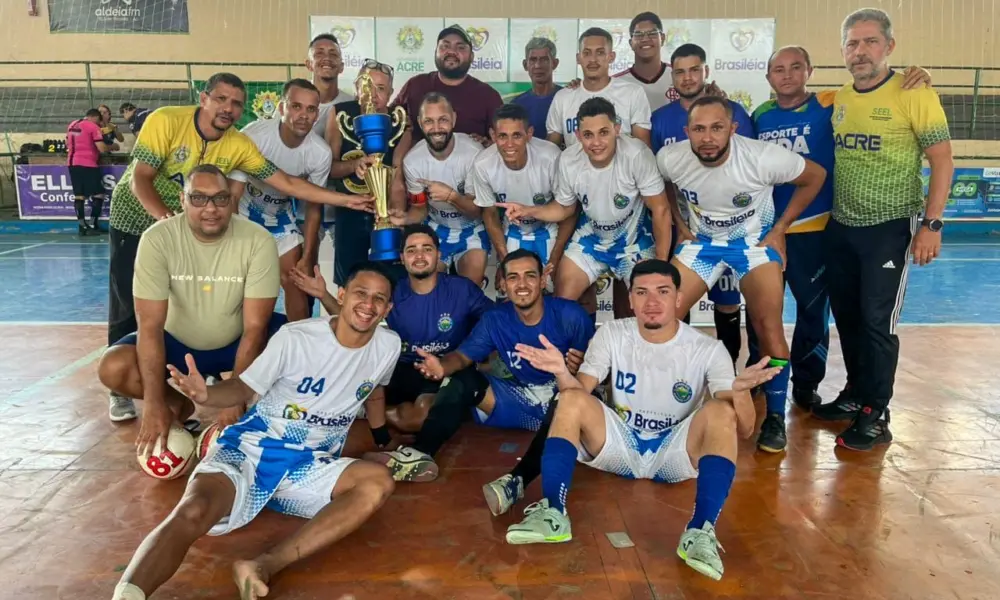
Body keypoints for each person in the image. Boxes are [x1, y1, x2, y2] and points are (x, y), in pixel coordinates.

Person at [110, 262, 401, 600]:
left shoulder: (389, 346)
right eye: (361, 293)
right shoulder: (296, 338)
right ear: (341, 295)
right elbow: (244, 387)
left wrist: (383, 440)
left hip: (309, 465)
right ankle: (127, 595)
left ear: (388, 309)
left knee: (377, 483)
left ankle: (262, 565)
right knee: (194, 509)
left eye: (379, 299)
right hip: (252, 449)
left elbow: (374, 391)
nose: (368, 304)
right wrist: (207, 395)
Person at [105, 72, 373, 424]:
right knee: (133, 308)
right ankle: (132, 393)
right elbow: (140, 178)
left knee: (217, 298)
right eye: (221, 99)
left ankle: (223, 375)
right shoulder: (166, 120)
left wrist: (347, 200)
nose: (228, 108)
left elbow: (289, 184)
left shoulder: (237, 143)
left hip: (197, 219)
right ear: (204, 98)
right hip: (139, 219)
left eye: (236, 103)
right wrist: (168, 224)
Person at [500, 260, 782, 583]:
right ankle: (553, 513)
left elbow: (744, 429)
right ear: (630, 299)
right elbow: (578, 395)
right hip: (619, 444)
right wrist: (562, 373)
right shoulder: (612, 334)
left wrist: (741, 393)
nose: (652, 302)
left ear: (679, 298)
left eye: (663, 292)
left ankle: (700, 531)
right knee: (569, 399)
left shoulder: (708, 349)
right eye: (642, 292)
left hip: (674, 452)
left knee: (721, 410)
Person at [748, 48, 934, 413]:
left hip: (814, 229)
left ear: (810, 71)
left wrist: (918, 75)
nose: (787, 75)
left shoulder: (831, 102)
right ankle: (761, 376)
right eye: (778, 69)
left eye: (795, 67)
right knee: (760, 310)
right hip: (766, 230)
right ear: (768, 77)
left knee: (812, 312)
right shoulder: (760, 115)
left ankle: (806, 383)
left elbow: (873, 86)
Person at [656, 96, 827, 452]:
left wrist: (780, 227)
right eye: (699, 129)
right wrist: (680, 224)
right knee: (662, 313)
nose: (707, 138)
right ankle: (670, 404)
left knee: (768, 327)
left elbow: (816, 176)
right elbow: (666, 185)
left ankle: (775, 416)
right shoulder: (671, 158)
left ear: (733, 129)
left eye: (717, 128)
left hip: (752, 244)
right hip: (703, 244)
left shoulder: (762, 157)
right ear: (687, 131)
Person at [815, 8, 953, 450]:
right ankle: (856, 393)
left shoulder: (915, 93)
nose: (861, 51)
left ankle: (877, 412)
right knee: (848, 316)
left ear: (889, 46)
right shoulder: (838, 98)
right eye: (852, 43)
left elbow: (942, 160)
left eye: (870, 41)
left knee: (877, 321)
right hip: (842, 226)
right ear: (843, 51)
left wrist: (931, 224)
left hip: (890, 227)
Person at [98, 165, 287, 453]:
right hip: (176, 345)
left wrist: (234, 400)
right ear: (182, 200)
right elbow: (149, 326)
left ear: (231, 200)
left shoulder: (257, 239)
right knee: (113, 367)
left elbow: (255, 328)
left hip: (236, 341)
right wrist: (153, 403)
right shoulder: (157, 239)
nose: (211, 208)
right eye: (198, 198)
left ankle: (271, 418)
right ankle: (177, 403)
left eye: (220, 198)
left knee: (300, 350)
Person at [365, 250, 594, 484]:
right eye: (513, 277)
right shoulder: (495, 319)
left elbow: (596, 371)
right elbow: (462, 357)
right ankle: (420, 454)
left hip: (562, 403)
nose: (522, 284)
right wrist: (442, 366)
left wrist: (580, 367)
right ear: (503, 284)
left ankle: (520, 480)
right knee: (463, 379)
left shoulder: (570, 315)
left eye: (530, 276)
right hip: (516, 400)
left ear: (543, 280)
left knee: (577, 403)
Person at [291, 224, 493, 432]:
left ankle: (365, 413)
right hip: (399, 367)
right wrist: (323, 294)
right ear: (402, 258)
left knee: (421, 418)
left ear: (438, 254)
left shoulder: (462, 289)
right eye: (411, 250)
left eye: (427, 249)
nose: (419, 256)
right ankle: (363, 412)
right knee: (330, 395)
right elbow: (353, 321)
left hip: (442, 368)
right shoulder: (393, 290)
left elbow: (495, 320)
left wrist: (477, 355)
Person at [501, 98, 671, 320]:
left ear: (617, 129)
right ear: (578, 135)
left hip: (634, 243)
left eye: (604, 132)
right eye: (588, 135)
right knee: (561, 305)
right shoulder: (569, 160)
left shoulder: (637, 154)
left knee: (648, 308)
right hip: (591, 241)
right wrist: (528, 210)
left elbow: (660, 209)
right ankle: (572, 344)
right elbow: (564, 209)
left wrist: (660, 264)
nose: (596, 142)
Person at [650, 43, 756, 366]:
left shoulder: (734, 112)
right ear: (672, 76)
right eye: (680, 71)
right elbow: (660, 182)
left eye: (694, 70)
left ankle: (728, 370)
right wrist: (680, 226)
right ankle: (677, 369)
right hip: (682, 229)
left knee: (727, 303)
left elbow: (751, 170)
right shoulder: (660, 119)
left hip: (729, 230)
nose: (688, 78)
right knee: (675, 298)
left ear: (705, 71)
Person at [230, 79, 332, 322]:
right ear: (281, 108)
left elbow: (313, 208)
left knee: (295, 278)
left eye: (310, 109)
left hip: (280, 218)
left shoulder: (320, 153)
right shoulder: (254, 136)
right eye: (296, 106)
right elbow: (232, 195)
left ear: (317, 115)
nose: (303, 115)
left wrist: (307, 255)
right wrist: (232, 241)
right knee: (237, 282)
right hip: (242, 215)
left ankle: (299, 337)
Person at [320, 60, 404, 287]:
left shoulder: (400, 120)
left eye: (381, 88)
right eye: (367, 87)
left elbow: (399, 176)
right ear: (356, 88)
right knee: (350, 281)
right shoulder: (340, 114)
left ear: (391, 93)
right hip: (350, 210)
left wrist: (390, 213)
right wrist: (353, 165)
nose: (373, 95)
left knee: (391, 280)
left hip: (387, 214)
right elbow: (328, 169)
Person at [473, 104, 575, 289]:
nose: (509, 144)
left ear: (529, 134)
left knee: (556, 287)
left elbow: (569, 209)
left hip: (549, 228)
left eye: (517, 135)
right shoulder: (483, 164)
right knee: (509, 288)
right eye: (502, 136)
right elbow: (489, 213)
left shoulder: (551, 157)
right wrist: (504, 259)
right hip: (513, 229)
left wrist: (555, 258)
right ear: (493, 135)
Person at [393, 92, 490, 285]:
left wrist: (451, 196)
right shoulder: (412, 161)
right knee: (427, 287)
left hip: (472, 229)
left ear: (454, 118)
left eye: (443, 120)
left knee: (469, 289)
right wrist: (404, 218)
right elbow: (420, 209)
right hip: (436, 228)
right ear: (420, 123)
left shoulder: (473, 153)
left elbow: (476, 211)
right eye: (429, 121)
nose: (436, 128)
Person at [546, 27, 652, 149]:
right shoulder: (563, 98)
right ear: (578, 58)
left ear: (611, 57)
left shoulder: (633, 93)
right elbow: (551, 150)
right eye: (586, 53)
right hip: (576, 162)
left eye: (600, 52)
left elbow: (643, 149)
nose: (593, 59)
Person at [303, 33, 355, 271]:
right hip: (303, 205)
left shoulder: (352, 106)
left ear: (342, 66)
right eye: (319, 53)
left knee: (350, 272)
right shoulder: (293, 106)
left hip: (343, 205)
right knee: (303, 269)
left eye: (333, 53)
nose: (327, 58)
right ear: (308, 63)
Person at [613, 12, 673, 111]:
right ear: (631, 43)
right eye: (638, 34)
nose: (645, 39)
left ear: (662, 39)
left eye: (652, 33)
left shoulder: (678, 76)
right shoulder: (616, 83)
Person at [66, 108, 109, 236]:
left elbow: (67, 143)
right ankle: (93, 223)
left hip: (72, 163)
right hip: (88, 164)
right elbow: (102, 149)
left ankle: (82, 226)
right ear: (96, 117)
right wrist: (112, 147)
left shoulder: (72, 124)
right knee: (99, 193)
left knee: (79, 195)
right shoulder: (92, 127)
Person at [511, 37, 563, 140]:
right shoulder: (516, 105)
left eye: (544, 60)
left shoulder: (567, 98)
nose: (538, 65)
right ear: (525, 65)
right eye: (533, 60)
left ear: (555, 63)